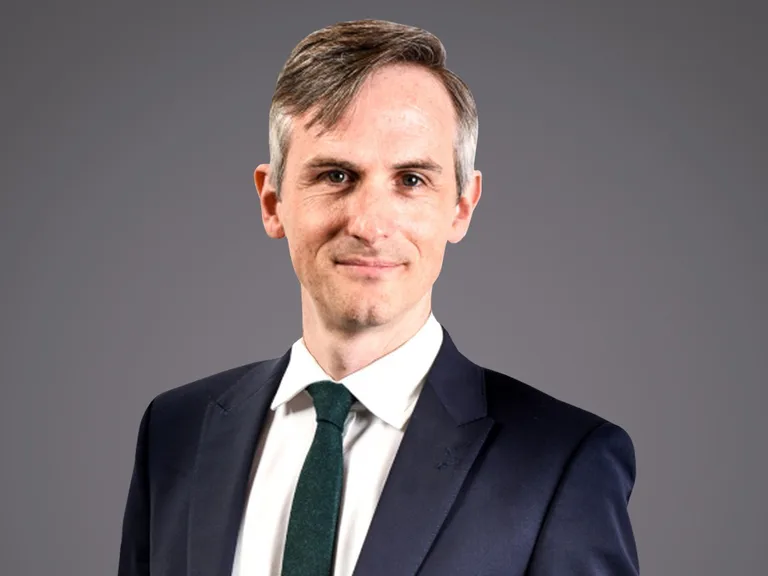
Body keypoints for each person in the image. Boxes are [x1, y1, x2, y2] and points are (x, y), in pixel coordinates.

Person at [117, 19, 639, 576]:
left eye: (411, 180)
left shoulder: (561, 462)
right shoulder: (176, 431)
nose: (369, 224)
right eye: (336, 175)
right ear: (272, 202)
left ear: (461, 207)